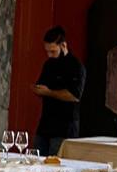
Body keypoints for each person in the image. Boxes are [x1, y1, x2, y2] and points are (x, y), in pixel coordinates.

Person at [33, 26, 85, 157]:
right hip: (45, 125)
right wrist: (37, 89)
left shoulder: (76, 66)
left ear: (63, 45)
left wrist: (49, 92)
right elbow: (41, 84)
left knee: (56, 164)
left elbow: (74, 96)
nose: (49, 55)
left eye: (53, 51)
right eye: (47, 51)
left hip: (64, 128)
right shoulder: (48, 64)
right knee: (35, 161)